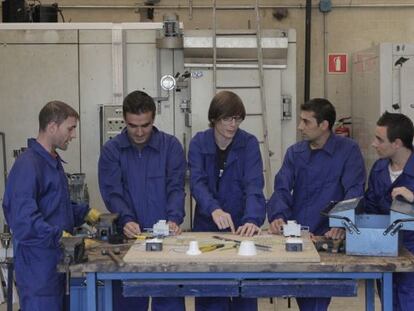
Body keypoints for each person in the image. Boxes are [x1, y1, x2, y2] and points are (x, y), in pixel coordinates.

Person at [267, 98, 366, 311]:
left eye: (306, 122)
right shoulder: (295, 153)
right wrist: (278, 216)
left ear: (324, 125)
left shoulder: (348, 151)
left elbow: (354, 190)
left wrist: (342, 223)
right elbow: (282, 187)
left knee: (315, 299)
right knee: (306, 297)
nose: (300, 127)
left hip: (329, 236)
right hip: (298, 235)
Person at [2, 101, 98, 311]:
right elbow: (23, 221)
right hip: (39, 268)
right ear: (52, 126)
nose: (73, 135)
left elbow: (56, 207)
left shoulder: (51, 162)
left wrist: (87, 214)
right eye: (70, 128)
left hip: (56, 262)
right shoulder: (28, 164)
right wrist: (60, 237)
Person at [98, 90, 186, 311]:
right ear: (124, 120)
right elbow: (112, 193)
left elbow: (176, 188)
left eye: (144, 125)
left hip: (166, 243)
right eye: (132, 125)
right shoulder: (111, 151)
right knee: (127, 304)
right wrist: (126, 219)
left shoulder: (171, 146)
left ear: (153, 119)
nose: (138, 132)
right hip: (127, 243)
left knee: (169, 304)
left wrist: (174, 219)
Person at [188, 90, 266, 311]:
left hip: (242, 228)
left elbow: (254, 185)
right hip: (206, 227)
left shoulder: (249, 143)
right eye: (227, 119)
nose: (233, 125)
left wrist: (252, 220)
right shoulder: (199, 143)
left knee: (244, 295)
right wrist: (214, 209)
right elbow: (197, 182)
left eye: (238, 119)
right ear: (214, 118)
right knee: (209, 293)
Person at [364, 111, 414, 311]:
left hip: (411, 254)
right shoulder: (378, 169)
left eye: (379, 139)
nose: (373, 144)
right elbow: (370, 208)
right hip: (385, 250)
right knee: (389, 302)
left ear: (397, 143)